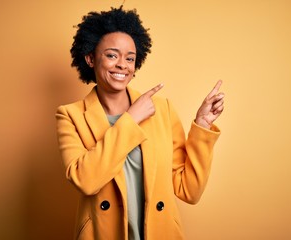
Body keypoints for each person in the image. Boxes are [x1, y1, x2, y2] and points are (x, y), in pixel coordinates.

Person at [56, 6, 224, 240]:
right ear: (90, 58)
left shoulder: (161, 109)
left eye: (130, 58)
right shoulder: (70, 116)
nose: (122, 65)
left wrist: (202, 126)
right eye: (112, 55)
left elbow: (189, 190)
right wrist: (131, 119)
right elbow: (86, 180)